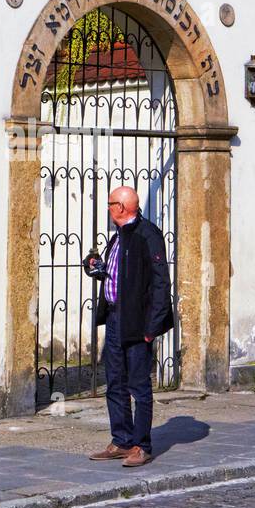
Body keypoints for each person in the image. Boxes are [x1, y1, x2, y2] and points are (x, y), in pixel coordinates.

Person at [87, 185, 174, 468]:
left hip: (138, 323)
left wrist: (152, 328)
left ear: (121, 208)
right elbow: (115, 276)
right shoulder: (117, 237)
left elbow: (161, 284)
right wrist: (95, 267)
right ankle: (122, 440)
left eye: (111, 203)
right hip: (114, 319)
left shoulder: (148, 235)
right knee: (115, 382)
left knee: (138, 385)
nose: (109, 208)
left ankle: (142, 445)